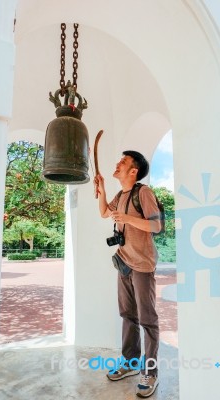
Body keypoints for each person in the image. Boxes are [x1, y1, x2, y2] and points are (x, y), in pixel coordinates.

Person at [94, 150, 161, 398]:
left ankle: (150, 372)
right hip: (124, 262)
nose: (118, 163)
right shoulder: (121, 195)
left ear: (133, 171)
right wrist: (100, 187)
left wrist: (127, 219)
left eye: (123, 161)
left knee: (148, 320)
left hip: (143, 265)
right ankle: (131, 363)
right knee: (127, 315)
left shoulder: (143, 193)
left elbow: (156, 225)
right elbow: (103, 212)